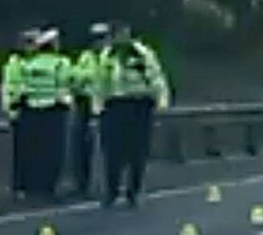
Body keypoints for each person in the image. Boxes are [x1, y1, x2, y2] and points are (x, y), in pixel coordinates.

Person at [96, 23, 170, 208]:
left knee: (138, 150)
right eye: (118, 35)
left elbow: (156, 77)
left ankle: (133, 190)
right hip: (115, 105)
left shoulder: (143, 53)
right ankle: (112, 191)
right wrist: (98, 106)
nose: (121, 38)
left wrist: (161, 100)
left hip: (139, 104)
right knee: (112, 151)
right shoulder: (107, 55)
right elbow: (100, 81)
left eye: (124, 34)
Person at [17, 27, 73, 200]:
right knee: (54, 151)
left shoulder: (29, 64)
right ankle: (50, 186)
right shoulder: (61, 63)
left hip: (32, 110)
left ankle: (35, 186)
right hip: (55, 109)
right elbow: (66, 82)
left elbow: (23, 87)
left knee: (36, 150)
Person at [68, 23, 110, 198]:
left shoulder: (113, 57)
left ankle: (105, 184)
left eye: (102, 38)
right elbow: (75, 77)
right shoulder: (86, 57)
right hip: (85, 103)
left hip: (108, 104)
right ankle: (83, 184)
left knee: (107, 146)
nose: (98, 43)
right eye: (95, 39)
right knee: (82, 145)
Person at [0, 28, 38, 200]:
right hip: (20, 108)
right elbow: (9, 87)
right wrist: (10, 108)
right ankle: (19, 186)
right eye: (28, 43)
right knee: (22, 151)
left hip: (34, 108)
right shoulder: (15, 63)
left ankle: (32, 184)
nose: (31, 47)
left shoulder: (35, 62)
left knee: (35, 149)